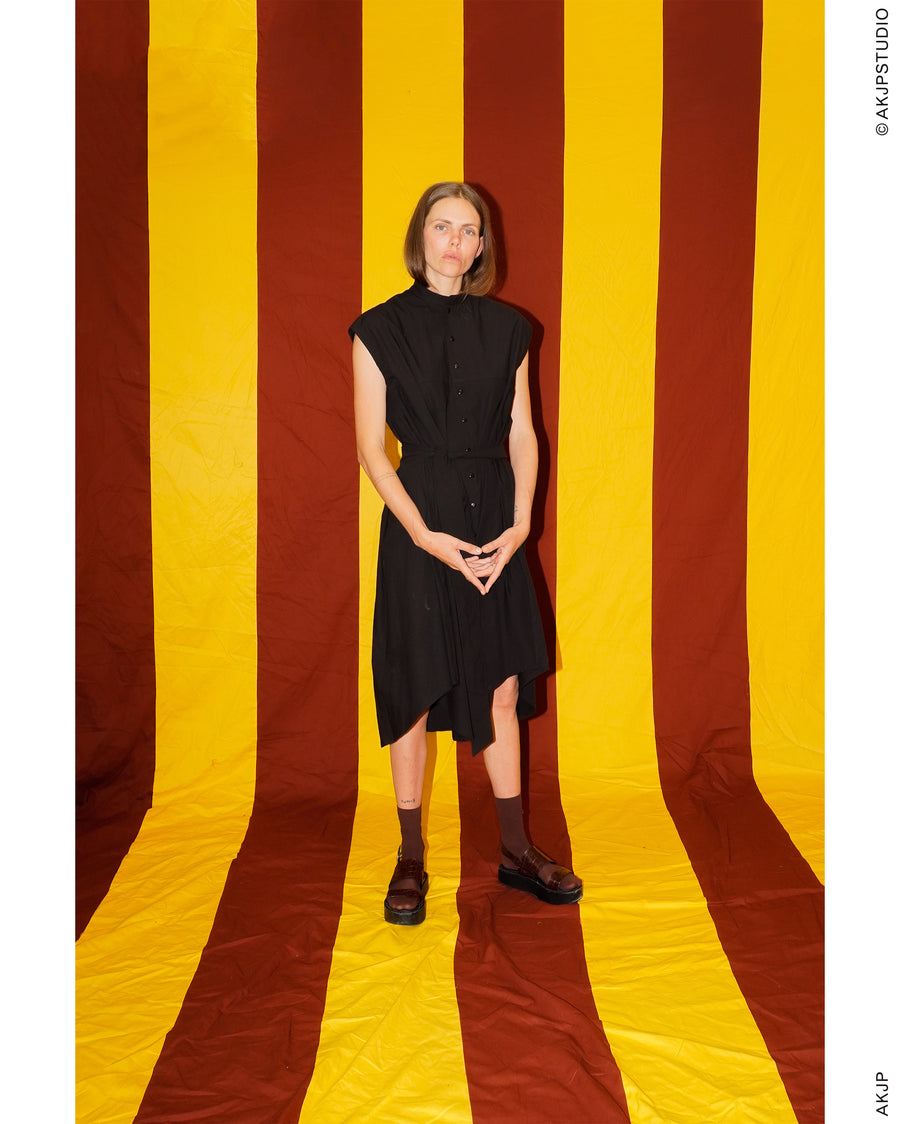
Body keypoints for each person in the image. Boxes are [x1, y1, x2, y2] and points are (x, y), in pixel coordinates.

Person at [351, 182, 582, 925]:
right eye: (443, 226)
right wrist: (423, 535)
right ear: (420, 238)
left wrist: (521, 525)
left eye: (469, 229)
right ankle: (409, 856)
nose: (456, 240)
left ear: (483, 245)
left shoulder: (511, 329)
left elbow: (523, 433)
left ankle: (516, 849)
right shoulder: (376, 330)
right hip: (419, 525)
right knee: (413, 690)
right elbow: (372, 448)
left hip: (495, 524)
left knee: (503, 687)